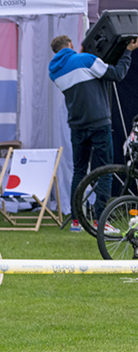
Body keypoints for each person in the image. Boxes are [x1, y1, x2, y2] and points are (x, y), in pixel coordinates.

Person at [48, 34, 138, 232]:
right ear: (71, 45)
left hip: (77, 125)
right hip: (99, 122)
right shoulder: (86, 59)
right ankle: (100, 221)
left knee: (79, 171)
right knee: (105, 170)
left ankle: (76, 221)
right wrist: (128, 52)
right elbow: (117, 74)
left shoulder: (54, 71)